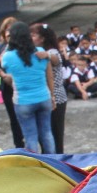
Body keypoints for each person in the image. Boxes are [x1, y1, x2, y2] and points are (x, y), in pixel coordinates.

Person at [1, 22, 54, 154]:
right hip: (43, 97)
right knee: (47, 133)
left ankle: (34, 165)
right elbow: (50, 77)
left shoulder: (8, 56)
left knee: (30, 137)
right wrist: (52, 96)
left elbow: (5, 68)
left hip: (23, 100)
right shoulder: (41, 53)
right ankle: (54, 161)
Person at [32, 23, 69, 153]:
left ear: (42, 38)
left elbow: (55, 59)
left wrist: (46, 55)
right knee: (45, 134)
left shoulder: (51, 51)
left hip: (57, 97)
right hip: (43, 96)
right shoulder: (36, 51)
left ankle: (58, 161)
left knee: (56, 132)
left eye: (34, 35)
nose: (31, 37)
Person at [0, 17, 25, 149]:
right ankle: (18, 146)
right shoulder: (0, 47)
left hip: (22, 86)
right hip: (7, 86)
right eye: (7, 29)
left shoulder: (24, 46)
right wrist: (3, 75)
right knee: (13, 119)